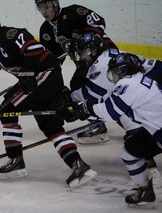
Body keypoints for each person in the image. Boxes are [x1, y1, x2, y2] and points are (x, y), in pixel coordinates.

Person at [0, 16, 97, 187]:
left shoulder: (12, 35)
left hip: (45, 75)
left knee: (7, 110)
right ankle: (78, 164)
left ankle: (15, 159)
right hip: (36, 80)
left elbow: (33, 48)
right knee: (50, 126)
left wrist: (29, 72)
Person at [71, 52, 162, 206]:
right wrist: (85, 106)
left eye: (114, 72)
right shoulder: (136, 80)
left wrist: (87, 109)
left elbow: (110, 112)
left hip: (158, 131)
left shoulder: (127, 84)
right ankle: (145, 190)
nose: (112, 76)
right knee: (130, 152)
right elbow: (113, 102)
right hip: (156, 131)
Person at [67, 32, 160, 178]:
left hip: (155, 83)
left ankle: (145, 157)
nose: (81, 57)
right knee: (121, 106)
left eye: (83, 52)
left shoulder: (100, 66)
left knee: (120, 111)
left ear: (92, 51)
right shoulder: (108, 54)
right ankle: (146, 154)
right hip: (153, 83)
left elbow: (90, 95)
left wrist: (69, 102)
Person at [35, 0, 118, 144]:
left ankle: (99, 123)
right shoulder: (45, 30)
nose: (44, 12)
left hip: (103, 53)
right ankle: (100, 119)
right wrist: (44, 74)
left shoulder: (72, 12)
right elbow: (52, 58)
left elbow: (98, 22)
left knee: (82, 87)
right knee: (81, 86)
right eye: (40, 8)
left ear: (55, 5)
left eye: (47, 7)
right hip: (85, 62)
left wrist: (83, 39)